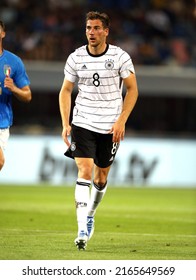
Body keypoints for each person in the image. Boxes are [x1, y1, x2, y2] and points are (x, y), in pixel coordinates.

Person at [59, 11, 138, 250]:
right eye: (88, 28)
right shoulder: (75, 58)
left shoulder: (120, 56)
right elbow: (65, 91)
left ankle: (91, 213)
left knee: (101, 177)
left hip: (110, 125)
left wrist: (122, 120)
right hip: (83, 121)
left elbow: (132, 90)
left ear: (106, 31)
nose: (91, 33)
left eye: (95, 28)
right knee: (84, 168)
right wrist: (66, 123)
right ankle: (82, 228)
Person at [0, 20, 32, 171]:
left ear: (3, 33)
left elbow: (27, 96)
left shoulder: (13, 62)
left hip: (2, 122)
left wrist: (14, 88)